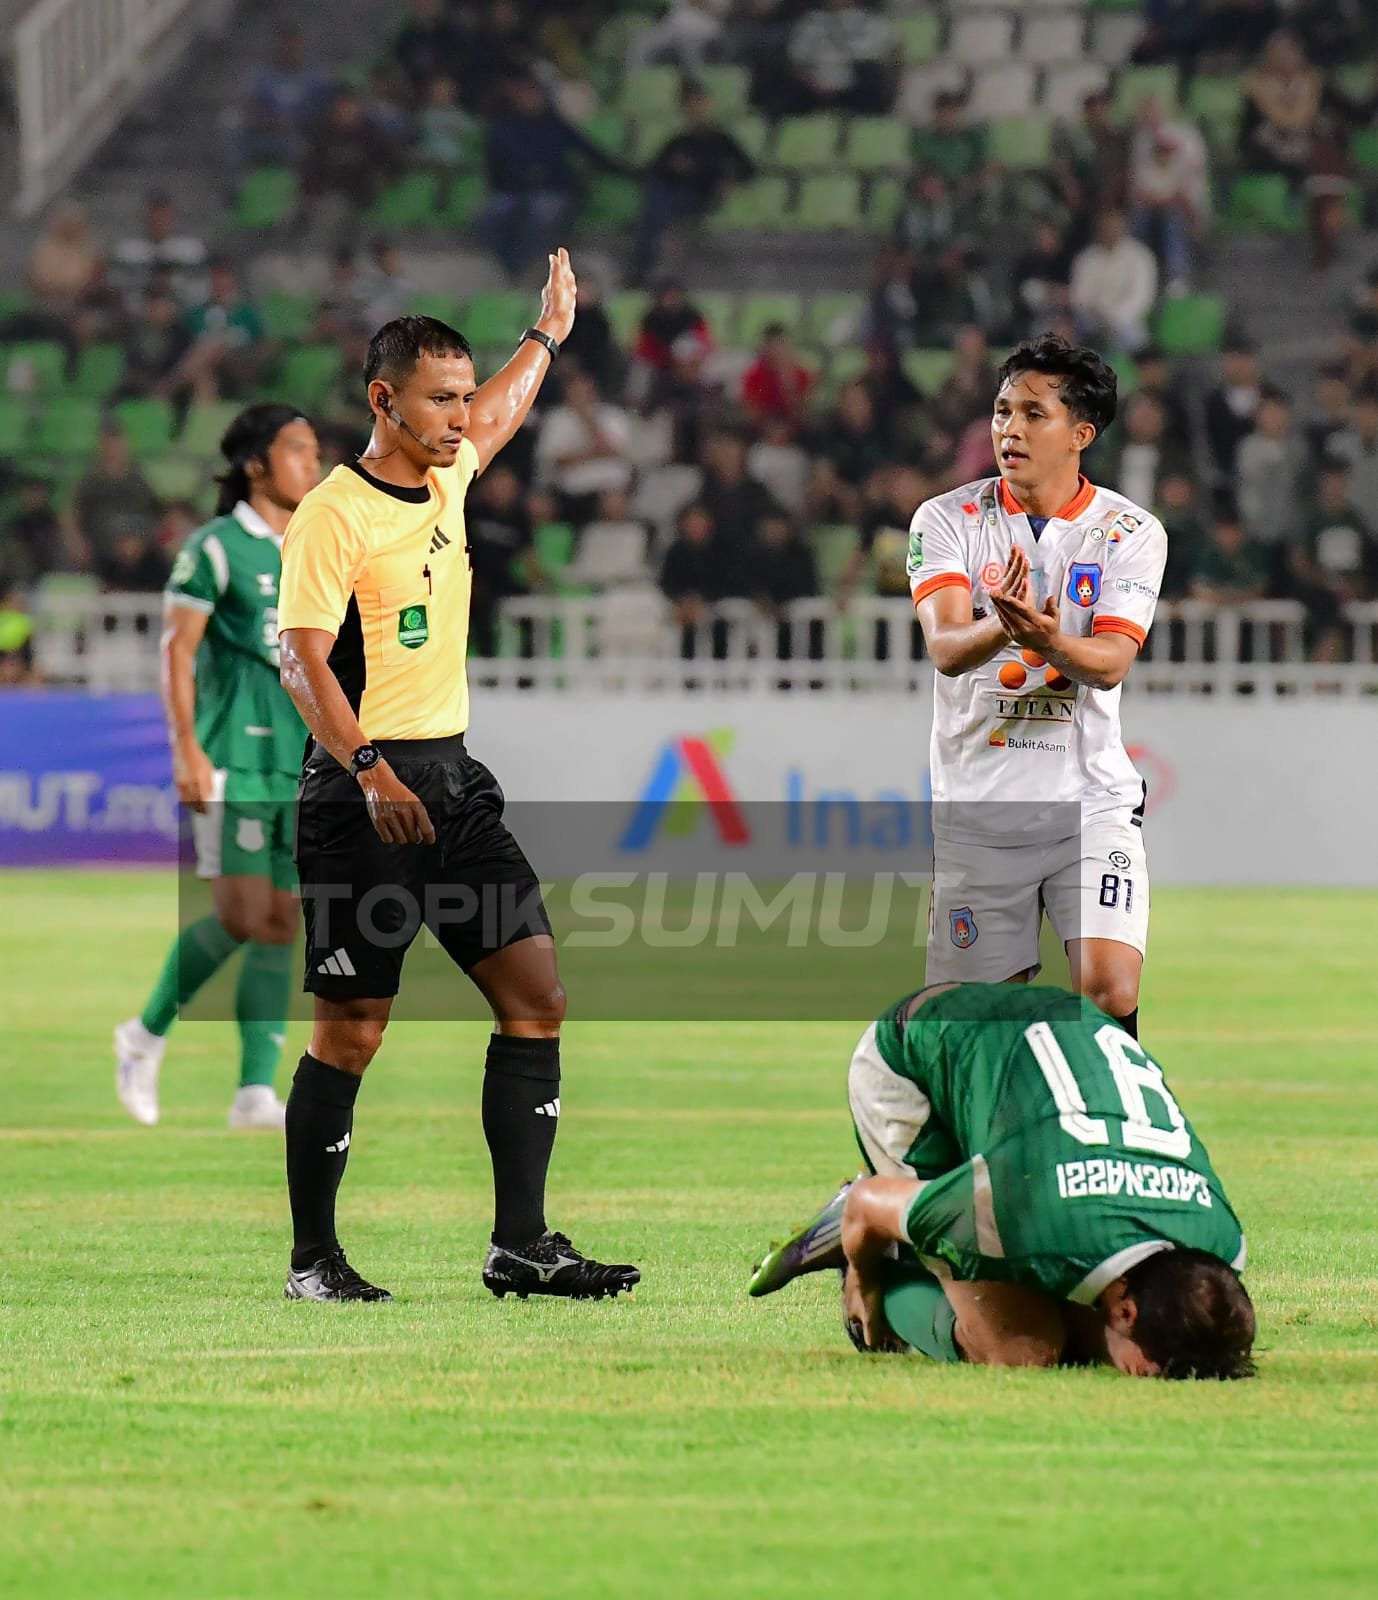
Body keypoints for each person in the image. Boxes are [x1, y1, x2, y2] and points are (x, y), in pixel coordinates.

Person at [276, 261, 640, 1304]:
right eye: (438, 398)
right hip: (361, 794)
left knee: (537, 997)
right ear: (382, 400)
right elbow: (300, 657)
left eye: (461, 395)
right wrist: (367, 766)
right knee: (353, 1032)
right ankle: (312, 1261)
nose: (458, 416)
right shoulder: (333, 514)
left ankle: (519, 1245)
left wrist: (548, 335)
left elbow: (502, 411)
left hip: (453, 782)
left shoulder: (447, 476)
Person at [749, 981, 1256, 1381]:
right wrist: (865, 1277)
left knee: (1078, 1332)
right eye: (1153, 1373)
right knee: (1020, 1346)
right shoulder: (1027, 1214)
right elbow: (869, 1202)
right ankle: (894, 1250)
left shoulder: (1222, 1244)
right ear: (1127, 1310)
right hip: (917, 1058)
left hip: (1039, 1046)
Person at [908, 333, 1166, 1036]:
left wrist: (1048, 639)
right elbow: (946, 647)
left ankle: (1115, 1109)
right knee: (981, 1023)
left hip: (1089, 802)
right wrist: (1006, 626)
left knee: (1108, 988)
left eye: (1032, 414)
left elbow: (1110, 661)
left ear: (1081, 433)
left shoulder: (1129, 531)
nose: (1009, 429)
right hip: (980, 811)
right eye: (1002, 411)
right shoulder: (947, 519)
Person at [113, 406, 322, 1130]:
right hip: (233, 757)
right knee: (241, 914)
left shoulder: (318, 546)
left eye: (316, 450)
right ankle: (144, 1034)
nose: (313, 463)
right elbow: (177, 650)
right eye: (297, 450)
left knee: (282, 920)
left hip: (302, 763)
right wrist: (186, 749)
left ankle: (254, 1094)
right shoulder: (216, 548)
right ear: (256, 464)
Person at [633, 82, 754, 284]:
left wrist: (729, 181)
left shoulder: (721, 140)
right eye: (690, 105)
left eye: (699, 103)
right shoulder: (680, 141)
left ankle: (646, 265)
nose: (695, 109)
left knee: (659, 208)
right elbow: (655, 168)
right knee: (657, 200)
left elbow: (748, 168)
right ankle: (648, 263)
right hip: (675, 195)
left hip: (703, 196)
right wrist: (674, 167)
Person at [1069, 208, 1159, 354]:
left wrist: (1113, 318)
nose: (1109, 231)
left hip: (1127, 321)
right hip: (1092, 321)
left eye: (1114, 226)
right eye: (1105, 227)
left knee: (1133, 337)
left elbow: (1141, 298)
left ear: (1124, 227)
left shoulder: (1140, 257)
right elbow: (1080, 296)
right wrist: (1098, 315)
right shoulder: (1085, 259)